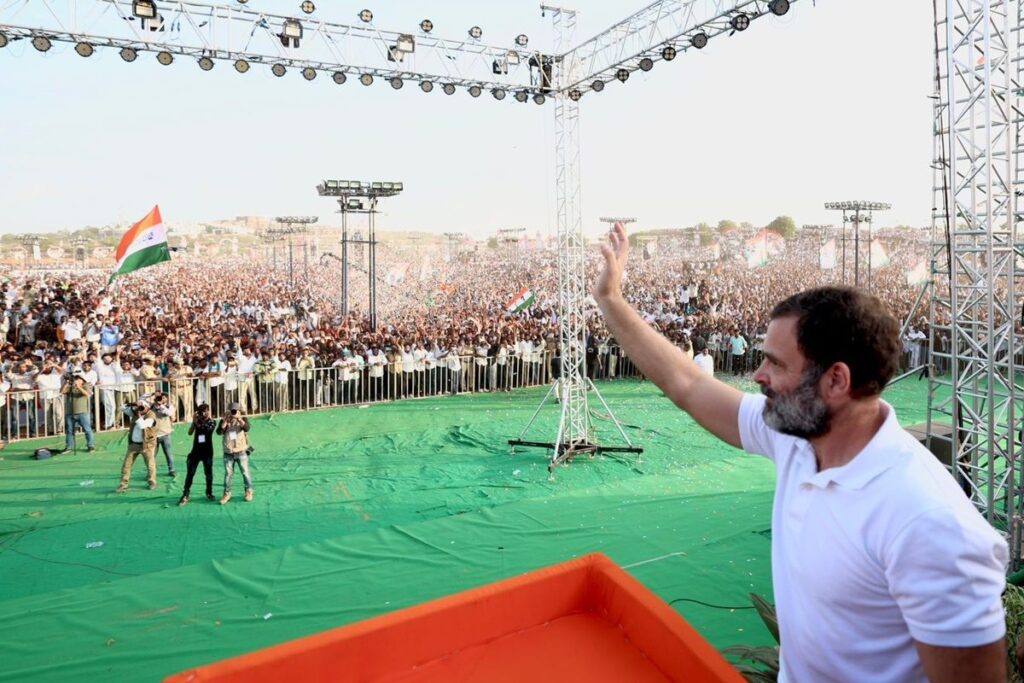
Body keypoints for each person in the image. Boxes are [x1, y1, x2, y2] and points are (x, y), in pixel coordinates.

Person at [593, 223, 1008, 683]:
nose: (758, 376)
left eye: (776, 363)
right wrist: (611, 300)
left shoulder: (930, 525)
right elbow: (688, 384)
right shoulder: (796, 435)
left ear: (836, 381)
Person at [178, 403, 216, 506]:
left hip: (207, 452)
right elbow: (190, 433)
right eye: (201, 412)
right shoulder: (197, 421)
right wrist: (194, 422)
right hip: (196, 452)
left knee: (208, 473)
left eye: (205, 411)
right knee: (190, 473)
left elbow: (207, 430)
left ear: (208, 411)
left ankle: (209, 492)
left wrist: (197, 422)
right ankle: (185, 494)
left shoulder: (212, 422)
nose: (203, 414)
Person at [116, 400, 157, 492]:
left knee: (150, 464)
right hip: (133, 444)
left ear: (148, 407)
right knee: (126, 465)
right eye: (139, 407)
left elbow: (143, 425)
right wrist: (132, 404)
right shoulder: (135, 412)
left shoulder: (151, 415)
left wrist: (138, 415)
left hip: (147, 445)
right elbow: (121, 408)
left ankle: (152, 482)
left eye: (143, 407)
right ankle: (123, 485)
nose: (140, 409)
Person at [217, 401, 253, 504]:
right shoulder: (224, 420)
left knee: (245, 472)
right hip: (228, 452)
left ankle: (249, 491)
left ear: (239, 411)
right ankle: (227, 493)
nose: (233, 413)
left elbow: (247, 428)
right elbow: (219, 432)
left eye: (235, 411)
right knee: (228, 474)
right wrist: (225, 422)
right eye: (231, 411)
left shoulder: (243, 419)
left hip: (241, 451)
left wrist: (239, 418)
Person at [62, 372, 96, 452]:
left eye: (78, 379)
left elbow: (88, 394)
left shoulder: (86, 385)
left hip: (82, 412)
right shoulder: (70, 386)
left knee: (87, 430)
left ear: (82, 380)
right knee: (69, 431)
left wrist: (79, 387)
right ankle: (69, 447)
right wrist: (66, 383)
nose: (75, 380)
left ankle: (91, 445)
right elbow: (62, 392)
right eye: (75, 378)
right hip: (70, 412)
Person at [150, 392, 176, 478]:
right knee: (152, 455)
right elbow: (141, 400)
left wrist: (161, 405)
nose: (161, 399)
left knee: (168, 453)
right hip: (154, 435)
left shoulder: (169, 407)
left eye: (163, 398)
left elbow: (169, 413)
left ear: (167, 399)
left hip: (165, 434)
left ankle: (172, 469)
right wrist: (151, 394)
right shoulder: (152, 406)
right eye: (160, 398)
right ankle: (151, 472)